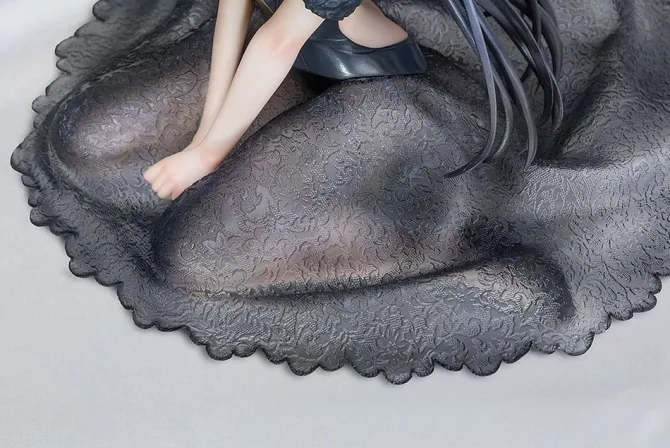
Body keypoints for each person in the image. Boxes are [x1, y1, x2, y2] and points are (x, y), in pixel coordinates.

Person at [144, 0, 563, 201]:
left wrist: (206, 157)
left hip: (361, 56)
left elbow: (277, 41)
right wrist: (204, 137)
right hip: (300, 38)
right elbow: (234, 7)